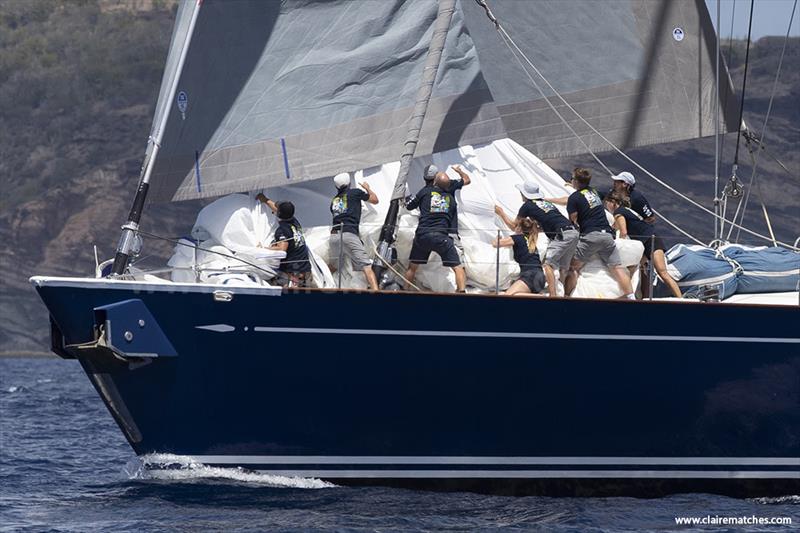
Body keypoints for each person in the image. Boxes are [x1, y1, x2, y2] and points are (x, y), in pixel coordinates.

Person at [545, 168, 634, 299]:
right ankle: (631, 297)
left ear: (576, 181)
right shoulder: (593, 192)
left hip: (591, 237)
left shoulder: (574, 198)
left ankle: (567, 296)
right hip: (607, 236)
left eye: (572, 179)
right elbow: (584, 197)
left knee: (573, 267)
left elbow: (573, 219)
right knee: (617, 267)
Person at [495, 182, 578, 297]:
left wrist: (501, 213)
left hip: (561, 234)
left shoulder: (527, 206)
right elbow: (548, 222)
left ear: (525, 194)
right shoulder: (545, 203)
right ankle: (566, 296)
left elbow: (515, 227)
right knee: (565, 268)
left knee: (548, 265)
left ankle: (553, 297)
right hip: (572, 231)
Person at [604, 191, 682, 298]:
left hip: (650, 240)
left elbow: (623, 232)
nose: (606, 207)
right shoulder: (626, 210)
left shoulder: (618, 212)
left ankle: (680, 299)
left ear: (612, 202)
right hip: (645, 242)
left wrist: (620, 248)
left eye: (606, 204)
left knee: (662, 272)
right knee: (635, 268)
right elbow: (615, 226)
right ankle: (637, 297)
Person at [404, 172, 466, 292]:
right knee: (458, 268)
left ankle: (404, 291)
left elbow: (410, 206)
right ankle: (461, 293)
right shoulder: (451, 200)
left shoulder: (425, 192)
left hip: (423, 236)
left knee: (412, 268)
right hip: (441, 237)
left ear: (434, 182)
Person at [329, 172, 380, 290]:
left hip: (334, 236)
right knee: (366, 266)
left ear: (336, 187)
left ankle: (323, 284)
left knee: (334, 266)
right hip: (349, 234)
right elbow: (375, 200)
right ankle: (377, 294)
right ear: (349, 184)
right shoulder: (355, 192)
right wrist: (368, 189)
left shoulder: (334, 200)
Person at [256, 193, 311, 287]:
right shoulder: (294, 221)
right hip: (305, 268)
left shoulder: (282, 230)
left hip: (293, 273)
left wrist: (264, 248)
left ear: (278, 214)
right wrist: (265, 200)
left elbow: (282, 249)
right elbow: (277, 209)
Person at [492, 217, 546, 296]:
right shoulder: (531, 241)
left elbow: (495, 244)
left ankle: (540, 297)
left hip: (530, 276)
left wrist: (497, 238)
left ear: (519, 228)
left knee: (508, 296)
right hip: (540, 277)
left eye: (516, 226)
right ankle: (537, 295)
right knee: (514, 295)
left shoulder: (518, 238)